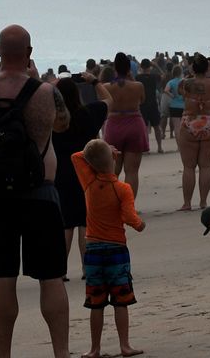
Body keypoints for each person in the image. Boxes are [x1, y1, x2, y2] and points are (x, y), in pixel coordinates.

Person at [0, 25, 71, 358]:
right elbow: (62, 124)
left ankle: (4, 355)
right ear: (29, 52)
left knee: (4, 277)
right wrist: (39, 80)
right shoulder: (43, 93)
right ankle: (60, 353)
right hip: (40, 191)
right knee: (51, 278)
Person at [71, 139, 145, 358]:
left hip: (92, 251)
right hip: (116, 250)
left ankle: (95, 348)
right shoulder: (123, 189)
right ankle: (124, 345)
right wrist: (139, 225)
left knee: (96, 302)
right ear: (114, 159)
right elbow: (129, 217)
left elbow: (76, 157)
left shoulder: (89, 183)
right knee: (121, 300)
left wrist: (98, 153)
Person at [51, 77, 108, 281]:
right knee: (85, 223)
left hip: (60, 172)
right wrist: (94, 82)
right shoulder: (89, 113)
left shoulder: (53, 118)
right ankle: (87, 267)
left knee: (66, 224)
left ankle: (60, 270)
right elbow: (109, 100)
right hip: (86, 171)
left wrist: (48, 86)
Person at [95, 53, 147, 201]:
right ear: (129, 68)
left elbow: (102, 101)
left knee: (113, 170)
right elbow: (142, 100)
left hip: (114, 124)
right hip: (134, 124)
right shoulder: (138, 86)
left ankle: (113, 202)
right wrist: (132, 78)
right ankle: (129, 204)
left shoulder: (106, 87)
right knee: (132, 171)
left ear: (115, 68)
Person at [177, 55, 210, 212]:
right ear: (207, 67)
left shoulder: (186, 83)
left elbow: (180, 91)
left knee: (188, 167)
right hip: (208, 121)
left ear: (193, 68)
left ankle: (187, 203)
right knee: (205, 166)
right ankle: (203, 202)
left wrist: (190, 73)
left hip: (190, 121)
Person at [134, 60, 163, 154]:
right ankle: (160, 147)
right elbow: (163, 76)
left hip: (142, 104)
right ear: (150, 66)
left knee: (145, 128)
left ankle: (147, 148)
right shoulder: (154, 77)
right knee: (156, 127)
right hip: (153, 103)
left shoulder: (138, 77)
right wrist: (157, 66)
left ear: (141, 67)